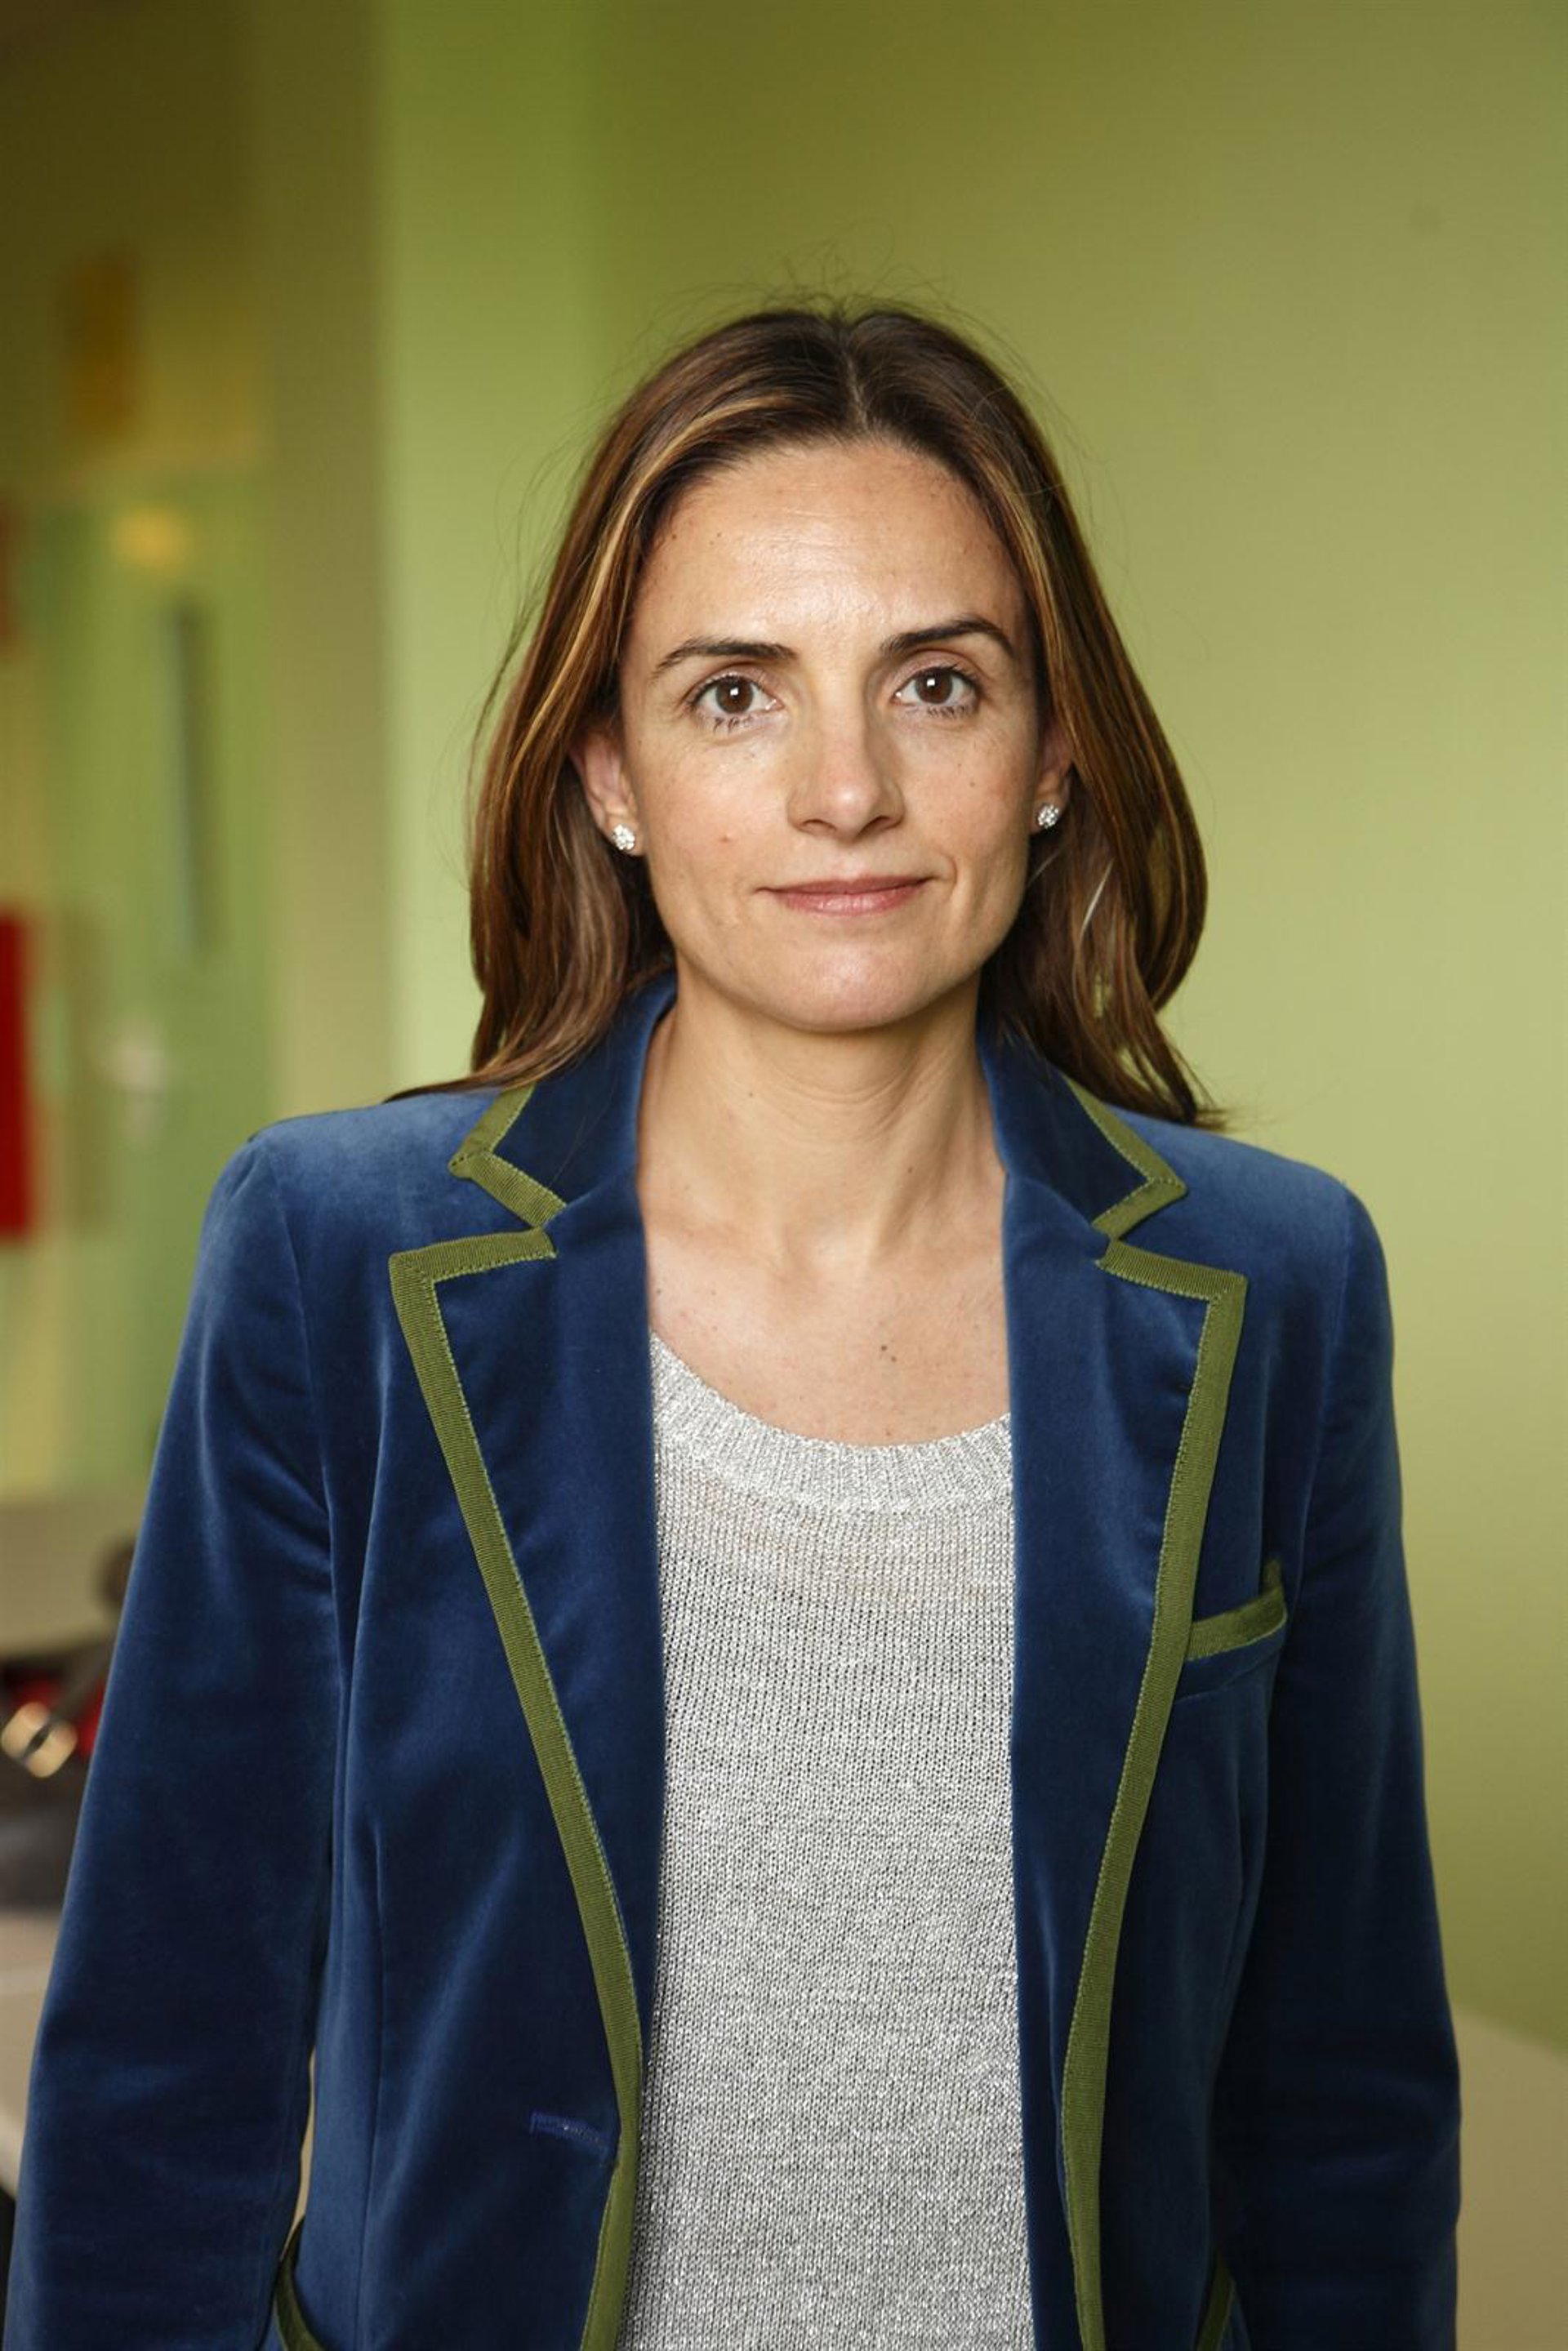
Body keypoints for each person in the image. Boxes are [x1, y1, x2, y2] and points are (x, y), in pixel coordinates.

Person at [3, 300, 1461, 2351]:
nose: (846, 790)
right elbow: (169, 2056)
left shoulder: (1276, 1280)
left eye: (936, 683)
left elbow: (1342, 2081)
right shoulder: (335, 1259)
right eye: (734, 695)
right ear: (611, 771)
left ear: (1053, 756)